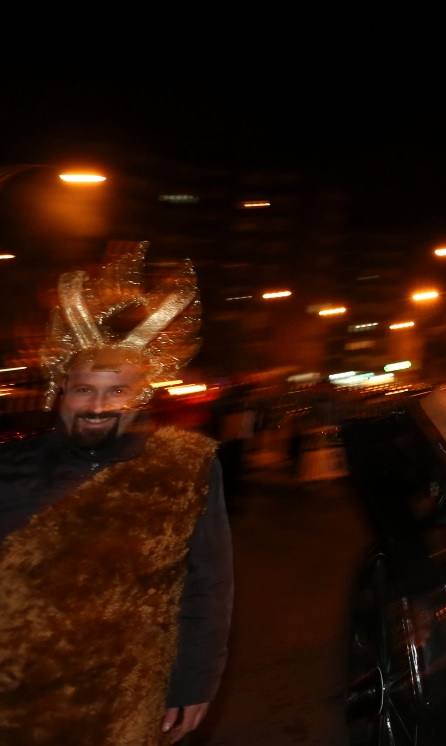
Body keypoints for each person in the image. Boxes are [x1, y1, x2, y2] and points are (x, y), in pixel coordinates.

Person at [0, 242, 233, 744]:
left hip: (123, 696)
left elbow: (208, 584)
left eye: (117, 390)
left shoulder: (186, 468)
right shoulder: (8, 467)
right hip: (15, 695)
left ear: (141, 397)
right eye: (84, 389)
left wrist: (195, 682)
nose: (98, 404)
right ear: (61, 393)